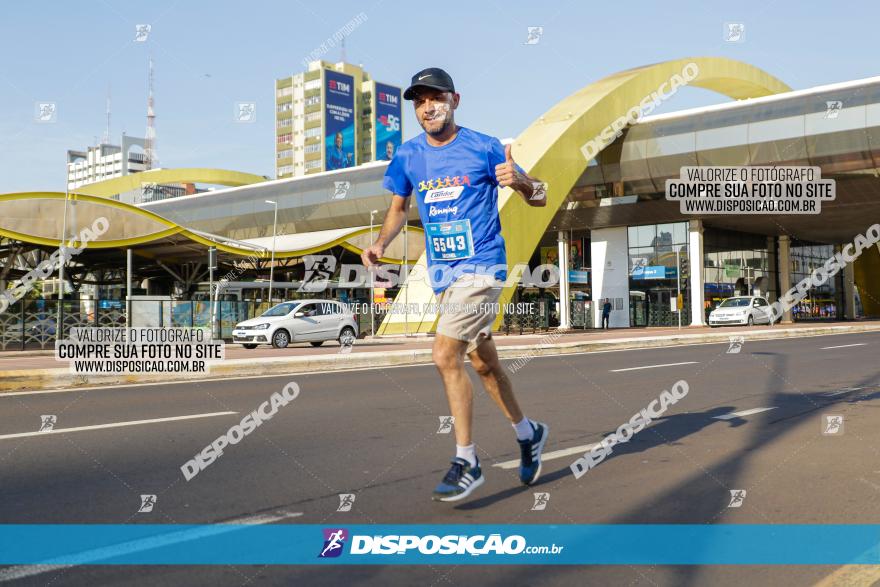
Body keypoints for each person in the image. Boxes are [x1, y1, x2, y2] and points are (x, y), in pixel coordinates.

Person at [361, 67, 550, 502]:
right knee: (484, 366)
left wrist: (520, 182)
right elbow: (397, 208)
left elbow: (539, 194)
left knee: (445, 353)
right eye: (418, 100)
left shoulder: (484, 147)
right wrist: (379, 243)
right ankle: (529, 432)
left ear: (455, 100)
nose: (427, 107)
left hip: (482, 268)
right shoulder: (408, 155)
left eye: (435, 98)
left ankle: (466, 460)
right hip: (442, 273)